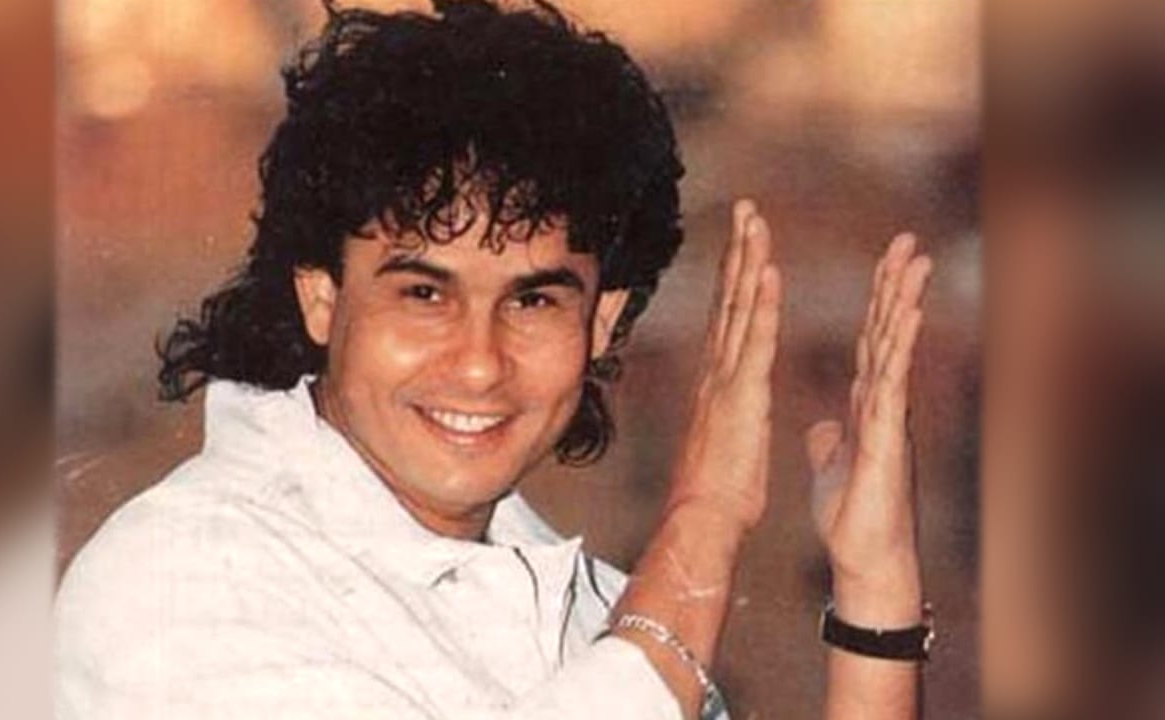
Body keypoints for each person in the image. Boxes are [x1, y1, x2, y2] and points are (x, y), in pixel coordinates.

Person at [55, 1, 935, 718]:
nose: (479, 364)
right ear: (322, 297)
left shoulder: (597, 616)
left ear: (601, 324)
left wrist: (875, 599)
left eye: (533, 300)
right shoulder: (176, 581)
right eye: (424, 294)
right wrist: (704, 522)